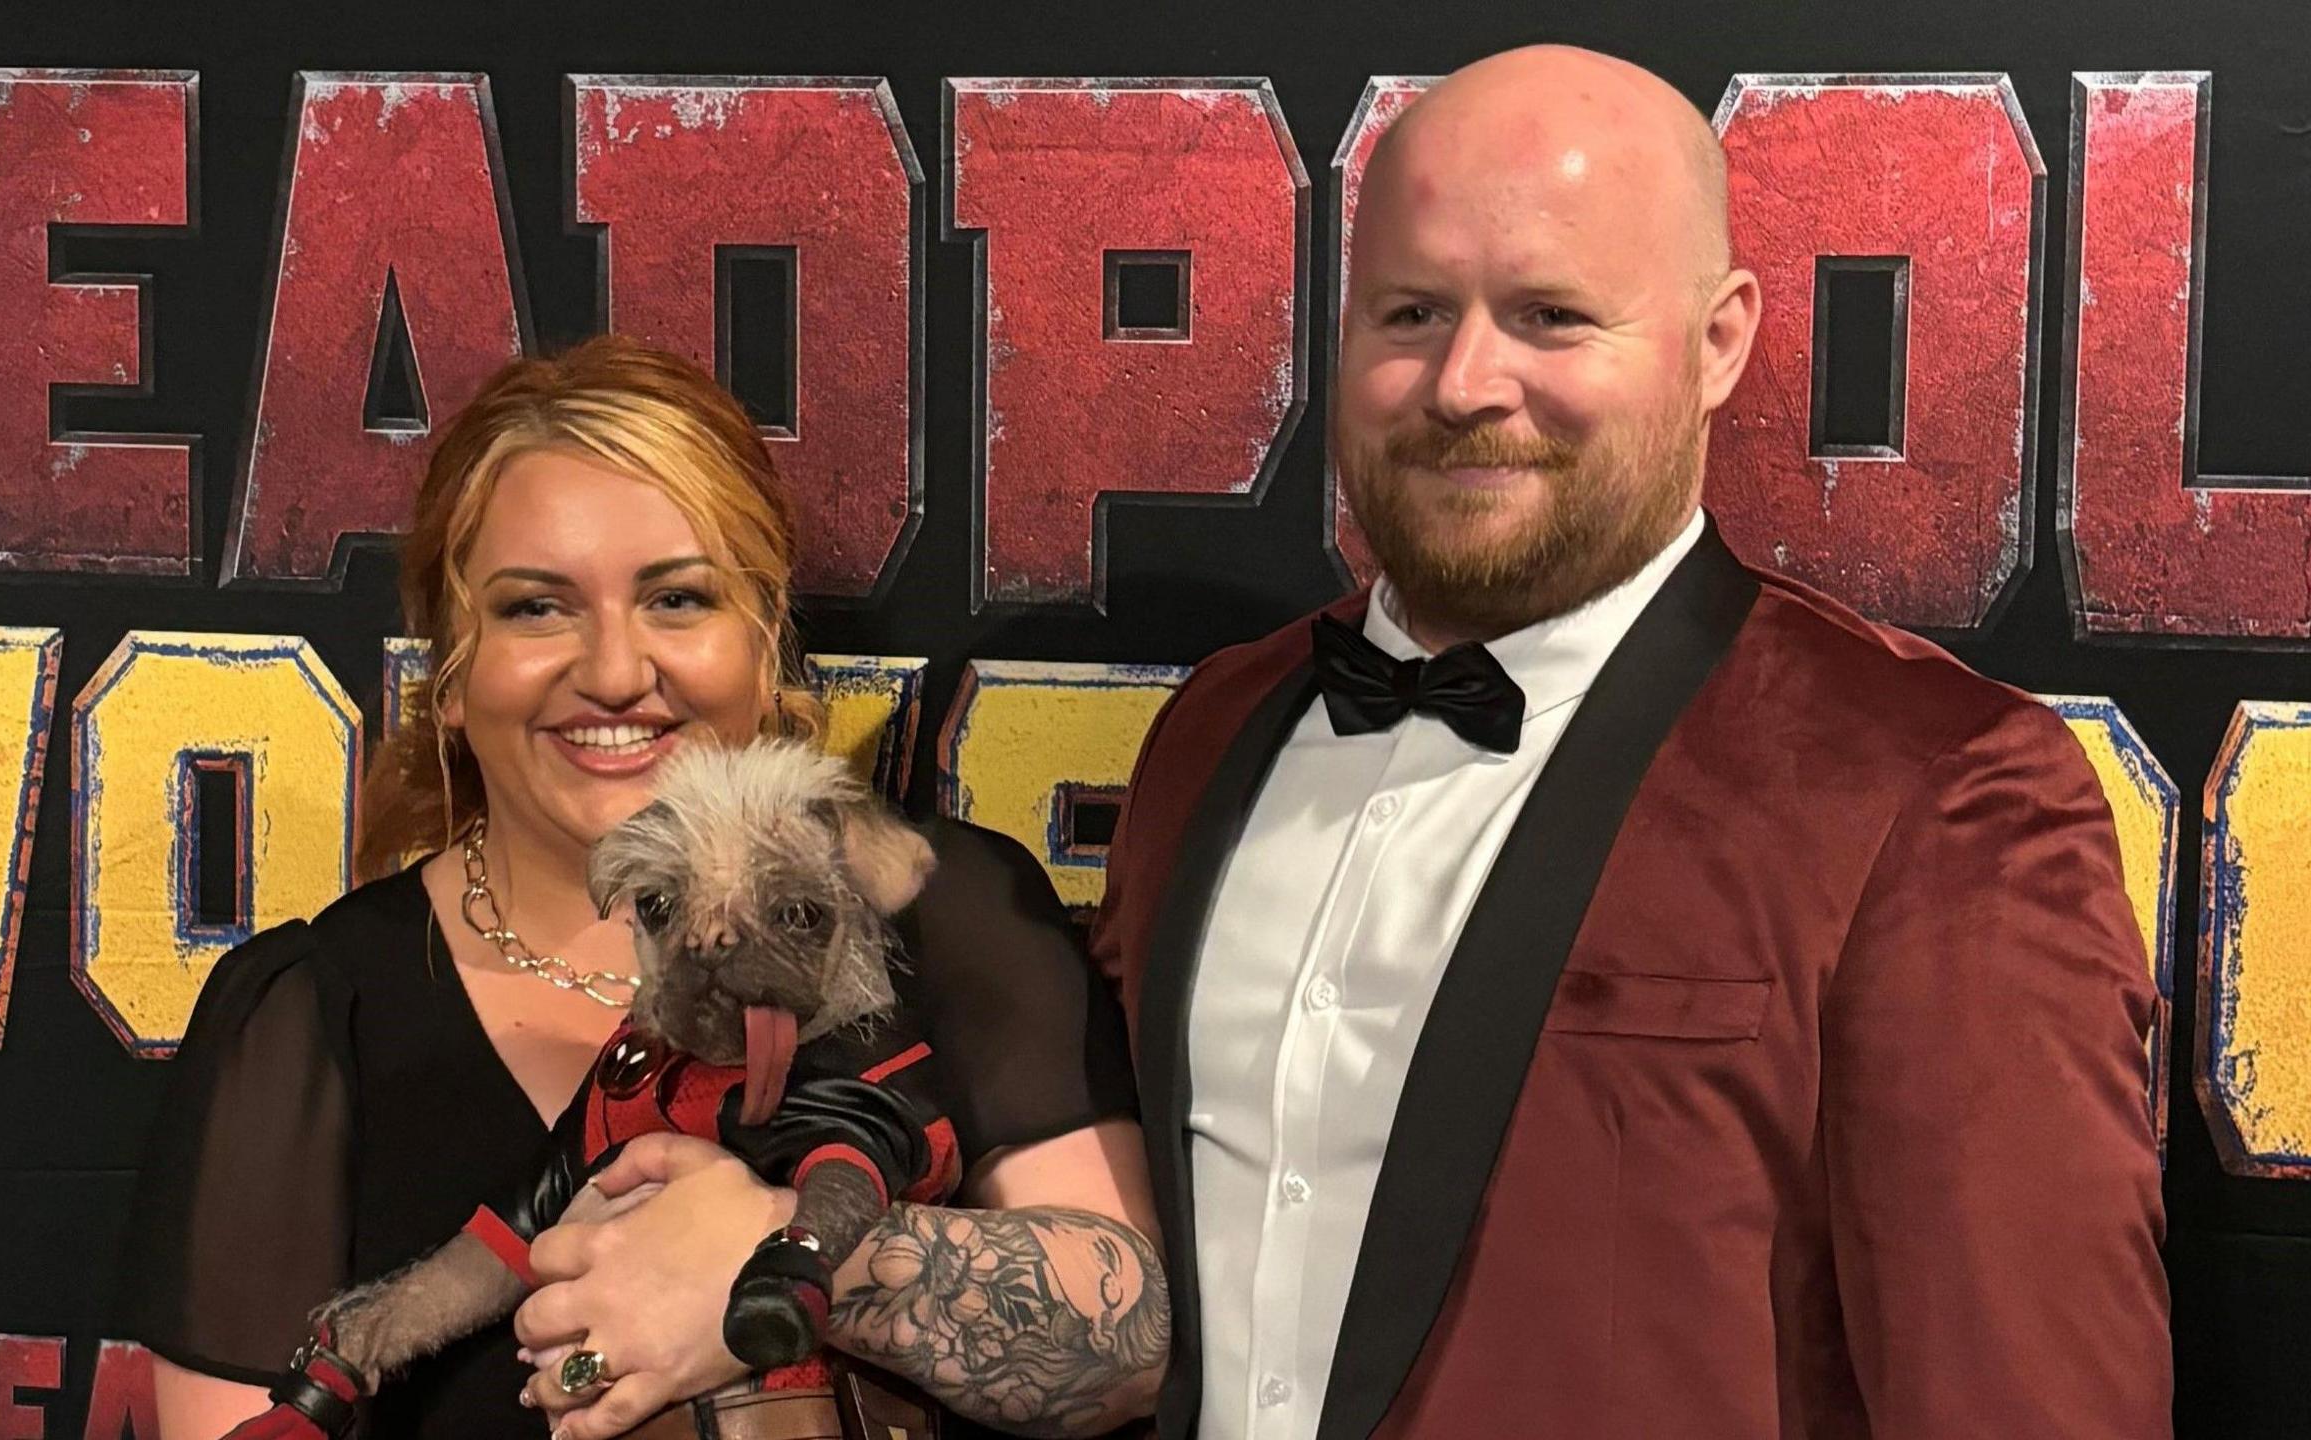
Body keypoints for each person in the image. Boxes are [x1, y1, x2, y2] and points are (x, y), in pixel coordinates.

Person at [1086, 45, 2172, 1440]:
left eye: (1550, 315)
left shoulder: (1934, 796)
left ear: (1718, 342)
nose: (1465, 382)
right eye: (1411, 312)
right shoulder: (1211, 734)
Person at [118, 334, 1168, 1439]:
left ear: (763, 647)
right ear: (452, 673)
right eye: (535, 608)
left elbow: (1129, 1350)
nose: (616, 670)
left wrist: (770, 1263)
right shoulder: (303, 1016)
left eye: (677, 600)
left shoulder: (944, 910)